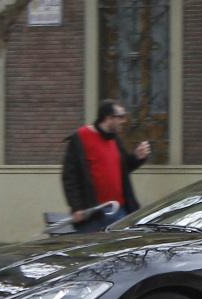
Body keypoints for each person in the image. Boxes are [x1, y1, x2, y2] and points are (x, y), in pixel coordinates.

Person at [60, 100, 151, 233]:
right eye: (120, 117)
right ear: (108, 118)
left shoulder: (114, 139)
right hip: (93, 213)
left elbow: (123, 169)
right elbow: (69, 177)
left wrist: (137, 157)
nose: (124, 121)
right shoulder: (80, 138)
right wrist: (77, 206)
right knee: (89, 252)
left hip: (119, 211)